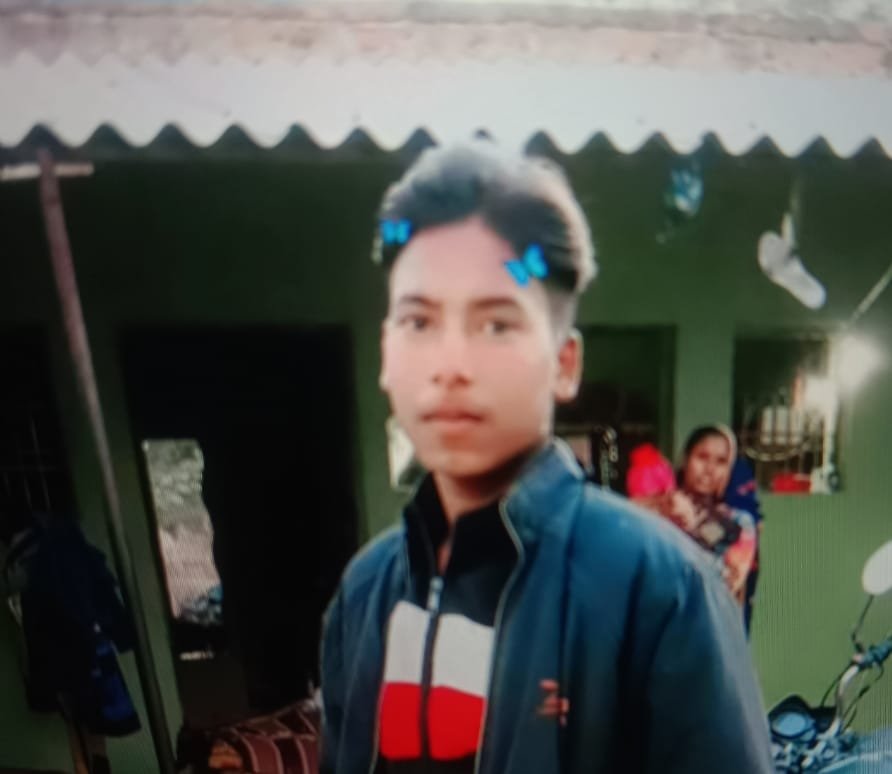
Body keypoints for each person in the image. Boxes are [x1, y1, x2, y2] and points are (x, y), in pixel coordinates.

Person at [320, 141, 773, 774]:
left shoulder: (661, 590)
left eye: (495, 324)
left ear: (565, 364)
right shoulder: (366, 592)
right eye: (419, 322)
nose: (450, 365)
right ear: (386, 355)